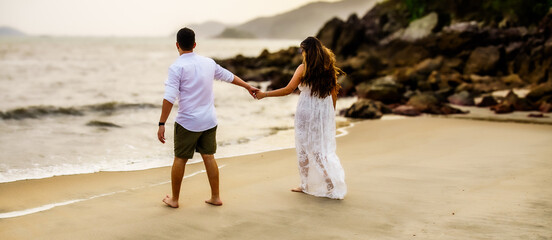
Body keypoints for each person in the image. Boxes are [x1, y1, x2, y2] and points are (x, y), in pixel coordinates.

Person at [158, 27, 258, 208]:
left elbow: (169, 98)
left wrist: (161, 123)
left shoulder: (176, 67)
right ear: (195, 44)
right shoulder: (208, 63)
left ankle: (174, 199)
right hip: (209, 121)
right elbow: (229, 77)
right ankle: (215, 197)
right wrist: (247, 86)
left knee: (180, 158)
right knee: (209, 157)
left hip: (188, 122)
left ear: (177, 45)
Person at [254, 36, 347, 199]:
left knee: (303, 147)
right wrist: (330, 114)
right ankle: (330, 183)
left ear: (306, 51)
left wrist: (265, 94)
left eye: (301, 50)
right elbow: (333, 93)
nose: (301, 53)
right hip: (321, 113)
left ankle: (304, 185)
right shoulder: (328, 69)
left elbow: (288, 89)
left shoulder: (303, 68)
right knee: (320, 150)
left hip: (306, 111)